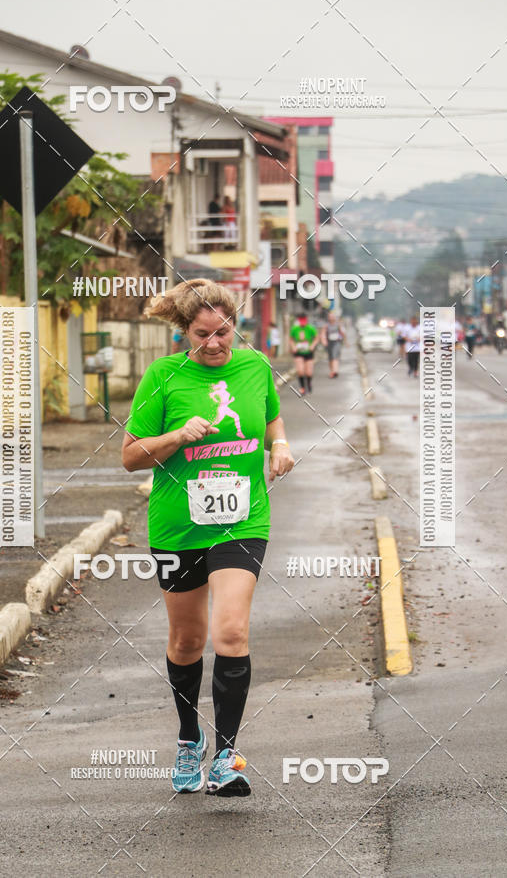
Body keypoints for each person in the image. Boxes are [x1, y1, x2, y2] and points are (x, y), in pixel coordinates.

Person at [121, 278, 294, 798]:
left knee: (231, 633)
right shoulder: (164, 376)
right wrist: (175, 436)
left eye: (224, 332)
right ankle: (187, 737)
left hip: (242, 521)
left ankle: (225, 757)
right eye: (203, 334)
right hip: (178, 526)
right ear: (184, 331)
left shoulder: (256, 366)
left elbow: (271, 417)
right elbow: (131, 455)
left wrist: (280, 445)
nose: (215, 344)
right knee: (187, 641)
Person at [289, 312, 319, 395]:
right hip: (298, 352)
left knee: (309, 372)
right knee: (300, 370)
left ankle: (308, 384)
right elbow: (291, 339)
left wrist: (312, 345)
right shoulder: (295, 329)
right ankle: (302, 387)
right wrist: (293, 347)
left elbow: (316, 338)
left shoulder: (310, 328)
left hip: (308, 352)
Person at [321, 312, 346, 378]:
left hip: (337, 342)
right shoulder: (326, 325)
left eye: (332, 316)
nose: (331, 318)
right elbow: (323, 334)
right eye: (330, 316)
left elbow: (342, 333)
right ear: (328, 318)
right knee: (330, 358)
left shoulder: (338, 325)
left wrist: (344, 341)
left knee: (335, 357)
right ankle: (332, 371)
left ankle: (335, 371)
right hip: (329, 343)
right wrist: (324, 341)